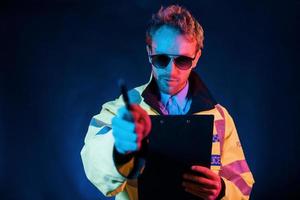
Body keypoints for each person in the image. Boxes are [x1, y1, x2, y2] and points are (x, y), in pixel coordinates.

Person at [81, 5, 254, 200]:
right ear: (149, 52)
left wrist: (222, 189)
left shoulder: (220, 117)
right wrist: (119, 147)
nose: (171, 72)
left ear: (196, 57)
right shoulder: (121, 110)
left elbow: (242, 187)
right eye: (161, 59)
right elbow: (92, 165)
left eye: (182, 61)